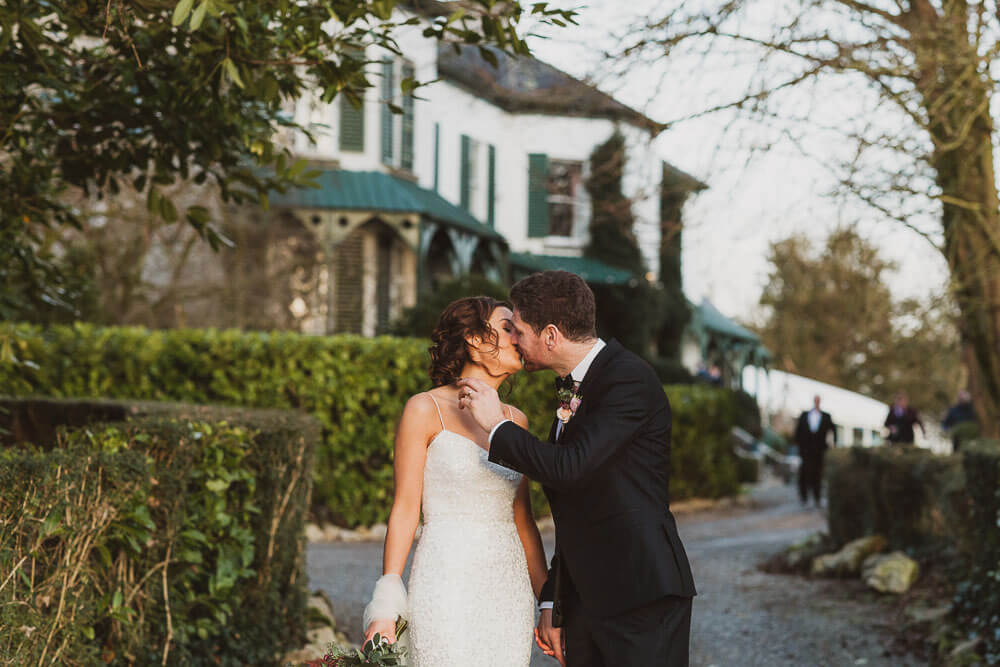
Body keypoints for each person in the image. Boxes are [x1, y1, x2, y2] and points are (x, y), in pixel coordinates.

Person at [457, 270, 696, 667]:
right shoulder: (576, 387)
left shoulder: (628, 378)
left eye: (518, 330)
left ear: (550, 336)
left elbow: (569, 468)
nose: (513, 339)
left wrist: (495, 425)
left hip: (641, 595)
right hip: (588, 601)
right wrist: (554, 598)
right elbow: (576, 509)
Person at [362, 296, 549, 666]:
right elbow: (404, 509)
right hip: (445, 580)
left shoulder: (517, 421)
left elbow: (524, 522)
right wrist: (386, 601)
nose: (520, 336)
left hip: (506, 592)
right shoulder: (424, 409)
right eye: (508, 327)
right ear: (475, 341)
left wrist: (549, 605)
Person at [793, 395, 837, 507]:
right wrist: (799, 447)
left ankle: (817, 497)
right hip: (806, 450)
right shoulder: (804, 415)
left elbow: (833, 431)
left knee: (818, 474)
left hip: (819, 450)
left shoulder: (826, 416)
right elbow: (798, 432)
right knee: (804, 473)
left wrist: (832, 445)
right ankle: (804, 497)